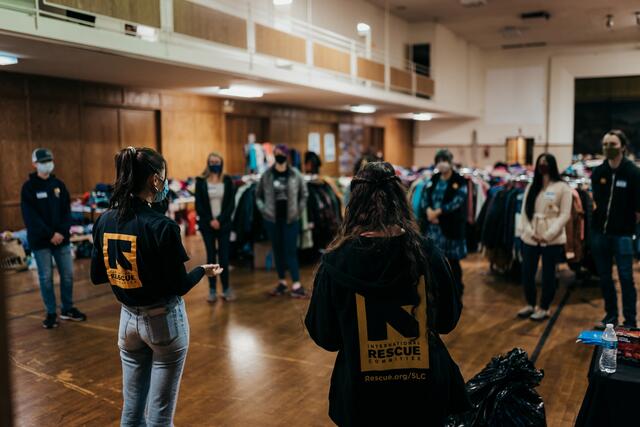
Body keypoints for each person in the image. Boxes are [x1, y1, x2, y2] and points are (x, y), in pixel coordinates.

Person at [305, 161, 468, 427]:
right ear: (401, 201)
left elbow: (325, 335)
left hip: (362, 398)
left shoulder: (336, 262)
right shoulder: (429, 254)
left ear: (354, 203)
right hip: (425, 394)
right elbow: (448, 320)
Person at [90, 147, 222, 426]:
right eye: (163, 176)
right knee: (160, 416)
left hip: (127, 322)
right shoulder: (163, 227)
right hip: (163, 324)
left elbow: (98, 275)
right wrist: (202, 270)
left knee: (131, 410)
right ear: (153, 180)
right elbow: (179, 285)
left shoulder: (104, 220)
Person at [21, 148, 86, 329]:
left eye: (49, 160)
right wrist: (50, 234)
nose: (47, 163)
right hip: (40, 241)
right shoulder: (28, 188)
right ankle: (51, 312)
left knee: (67, 276)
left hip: (61, 239)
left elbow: (67, 212)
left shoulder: (59, 185)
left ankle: (67, 308)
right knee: (46, 277)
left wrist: (60, 233)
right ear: (35, 164)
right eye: (43, 161)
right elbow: (30, 217)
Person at [591, 130, 640, 328]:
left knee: (626, 278)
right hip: (599, 234)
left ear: (622, 146)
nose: (608, 148)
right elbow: (596, 201)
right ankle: (610, 316)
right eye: (605, 144)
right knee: (604, 277)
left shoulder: (633, 172)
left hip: (623, 235)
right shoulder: (598, 172)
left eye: (612, 144)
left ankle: (629, 321)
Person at [517, 153, 572, 321]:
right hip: (531, 237)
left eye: (546, 162)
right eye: (540, 162)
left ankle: (544, 307)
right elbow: (525, 213)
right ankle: (530, 303)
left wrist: (548, 234)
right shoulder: (532, 186)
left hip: (552, 239)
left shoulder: (563, 187)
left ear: (552, 165)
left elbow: (564, 215)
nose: (543, 165)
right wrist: (529, 231)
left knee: (548, 274)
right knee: (527, 272)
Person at [256, 144, 309, 298]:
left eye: (282, 153)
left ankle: (297, 284)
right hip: (272, 220)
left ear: (287, 156)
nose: (279, 155)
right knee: (277, 251)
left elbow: (304, 194)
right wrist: (264, 209)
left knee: (291, 251)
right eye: (276, 153)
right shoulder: (267, 175)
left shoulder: (295, 174)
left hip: (291, 219)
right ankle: (282, 282)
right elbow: (258, 195)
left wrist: (298, 211)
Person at [420, 149, 468, 293]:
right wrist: (428, 210)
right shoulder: (433, 179)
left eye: (444, 161)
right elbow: (425, 196)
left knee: (453, 261)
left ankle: (457, 288)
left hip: (450, 227)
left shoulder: (460, 181)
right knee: (434, 259)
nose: (442, 164)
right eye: (439, 161)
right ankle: (437, 288)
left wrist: (438, 212)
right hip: (433, 228)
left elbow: (458, 201)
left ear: (450, 162)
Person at [195, 152, 236, 303]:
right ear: (208, 163)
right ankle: (212, 290)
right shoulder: (200, 181)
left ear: (221, 163)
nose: (214, 164)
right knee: (211, 257)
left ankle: (225, 288)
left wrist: (219, 220)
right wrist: (211, 220)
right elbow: (198, 205)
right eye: (211, 161)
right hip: (207, 225)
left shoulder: (227, 180)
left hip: (224, 224)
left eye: (217, 161)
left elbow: (231, 204)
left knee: (224, 258)